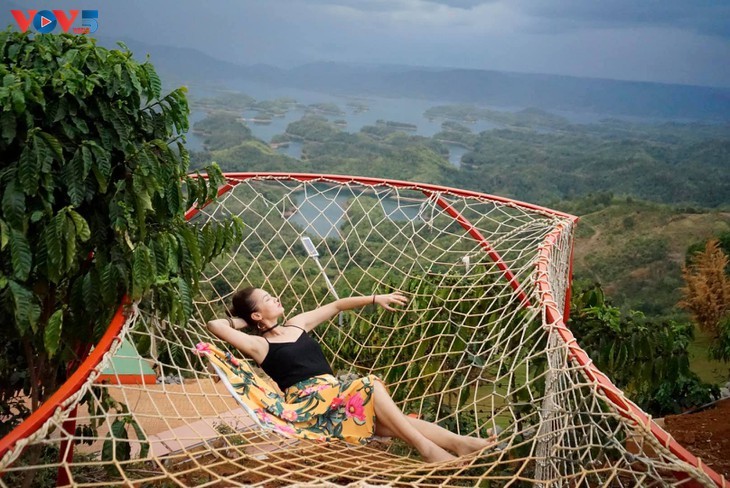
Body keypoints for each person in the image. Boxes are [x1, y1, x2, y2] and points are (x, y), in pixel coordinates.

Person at [206, 286, 494, 463]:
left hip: (339, 399)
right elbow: (215, 324)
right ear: (257, 315)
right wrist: (245, 320)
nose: (276, 297)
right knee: (368, 384)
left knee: (397, 423)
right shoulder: (260, 345)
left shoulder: (297, 324)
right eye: (267, 298)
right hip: (311, 406)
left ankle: (462, 445)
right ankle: (428, 450)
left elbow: (337, 305)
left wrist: (374, 298)